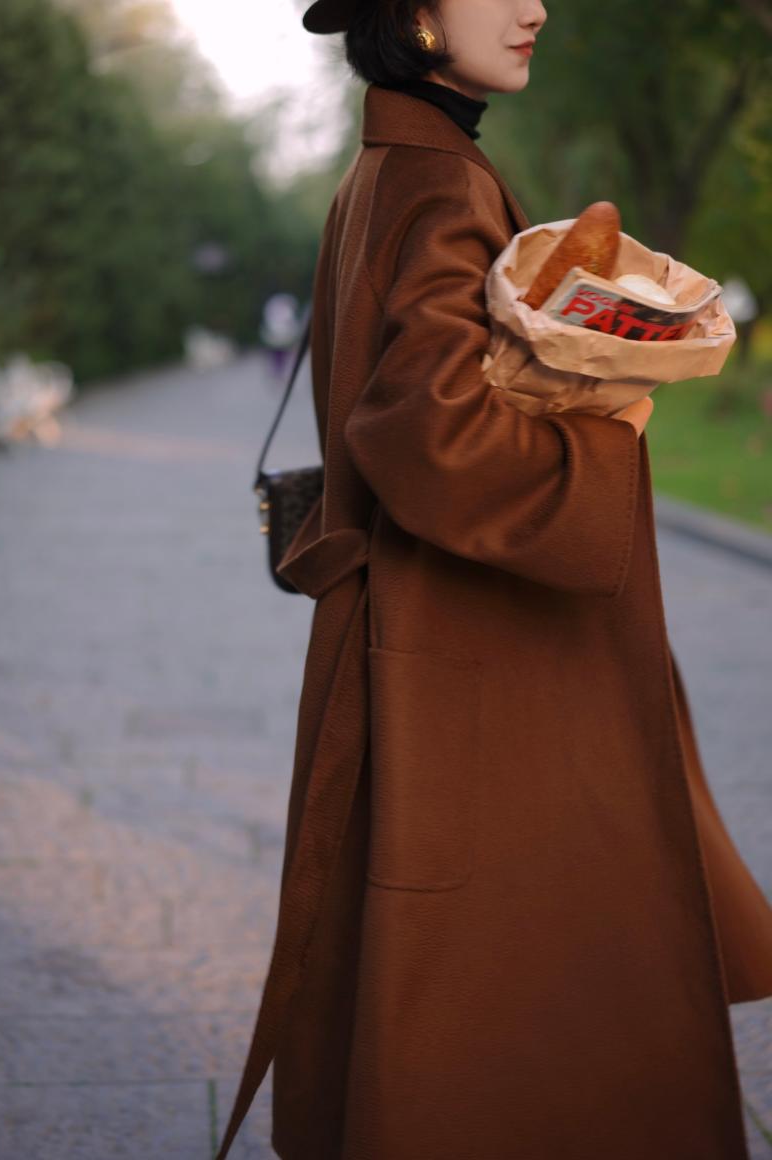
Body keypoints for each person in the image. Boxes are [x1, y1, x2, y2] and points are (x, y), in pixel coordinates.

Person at [214, 3, 772, 1158]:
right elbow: (427, 425)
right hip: (476, 667)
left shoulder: (390, 166)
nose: (534, 6)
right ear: (415, 14)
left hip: (426, 650)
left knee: (432, 1001)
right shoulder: (436, 182)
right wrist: (609, 428)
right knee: (512, 1014)